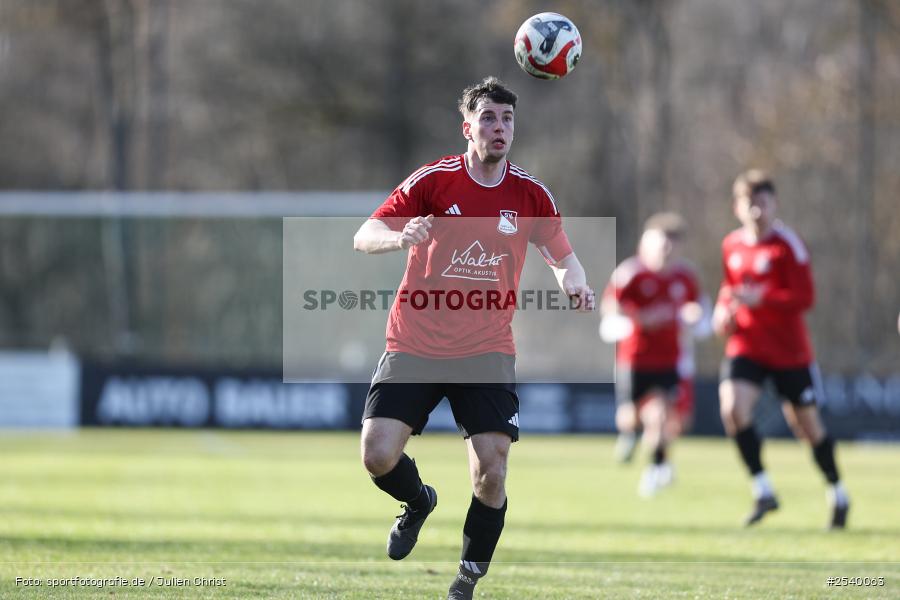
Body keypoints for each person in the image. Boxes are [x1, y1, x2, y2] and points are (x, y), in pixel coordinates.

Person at [353, 76, 595, 600]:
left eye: (507, 119)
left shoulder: (530, 195)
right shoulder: (434, 181)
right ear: (467, 128)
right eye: (488, 118)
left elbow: (563, 257)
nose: (499, 128)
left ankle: (466, 580)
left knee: (492, 472)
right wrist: (400, 237)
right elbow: (363, 235)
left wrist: (574, 282)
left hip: (485, 351)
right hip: (415, 341)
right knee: (376, 455)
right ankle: (419, 501)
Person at [713, 169, 850, 528]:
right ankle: (763, 491)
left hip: (789, 352)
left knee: (807, 428)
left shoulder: (788, 244)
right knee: (732, 409)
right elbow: (729, 289)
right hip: (746, 345)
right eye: (750, 204)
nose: (757, 211)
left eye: (763, 203)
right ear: (736, 207)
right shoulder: (731, 245)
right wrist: (722, 313)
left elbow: (806, 297)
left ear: (774, 205)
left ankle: (838, 492)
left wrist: (764, 297)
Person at [600, 212, 704, 497]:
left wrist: (693, 316)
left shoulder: (686, 276)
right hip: (633, 360)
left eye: (672, 246)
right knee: (629, 419)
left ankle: (654, 470)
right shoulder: (630, 273)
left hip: (669, 360)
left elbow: (698, 310)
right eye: (661, 245)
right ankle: (630, 435)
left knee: (662, 418)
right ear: (647, 244)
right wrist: (643, 317)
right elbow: (610, 307)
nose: (666, 252)